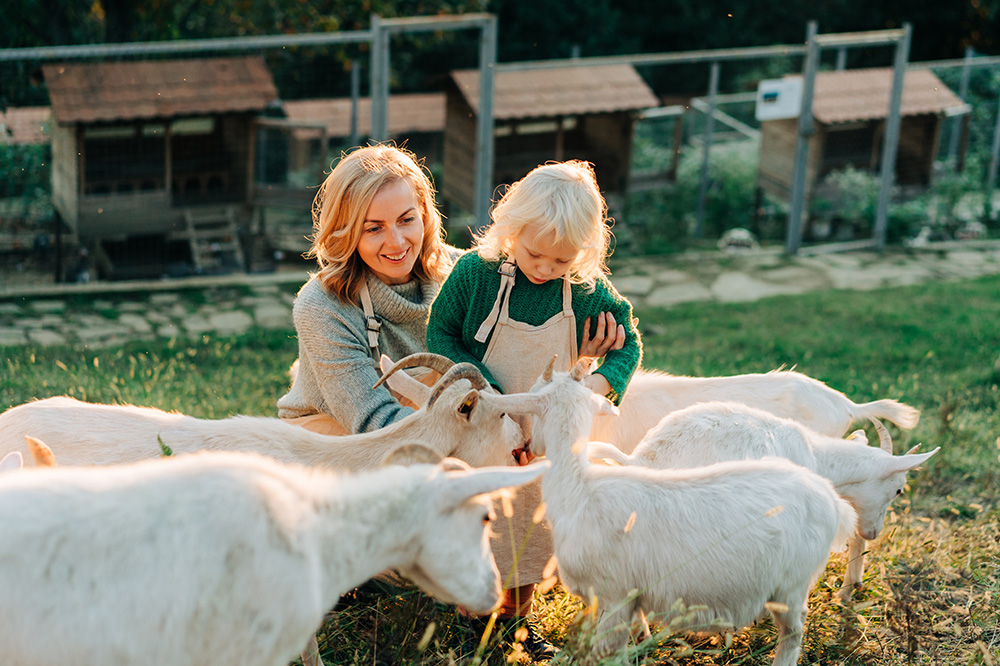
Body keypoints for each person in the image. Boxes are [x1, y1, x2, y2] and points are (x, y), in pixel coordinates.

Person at [426, 160, 643, 659]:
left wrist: (597, 384)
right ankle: (472, 618)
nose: (544, 269)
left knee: (531, 524)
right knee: (481, 520)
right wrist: (486, 390)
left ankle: (514, 620)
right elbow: (441, 335)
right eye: (534, 253)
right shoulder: (474, 276)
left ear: (583, 255)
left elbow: (627, 343)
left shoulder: (586, 293)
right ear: (510, 228)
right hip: (483, 419)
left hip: (546, 436)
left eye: (561, 262)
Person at [277, 143, 457, 435]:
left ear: (424, 214)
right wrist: (473, 437)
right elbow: (375, 421)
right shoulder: (322, 306)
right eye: (374, 228)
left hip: (438, 427)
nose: (397, 242)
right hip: (334, 439)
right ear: (345, 232)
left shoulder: (460, 273)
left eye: (406, 220)